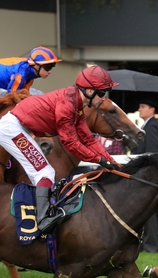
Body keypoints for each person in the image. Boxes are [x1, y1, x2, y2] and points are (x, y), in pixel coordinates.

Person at [0, 66, 120, 234]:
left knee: (45, 173)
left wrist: (110, 160)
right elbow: (71, 143)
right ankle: (43, 220)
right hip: (13, 129)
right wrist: (99, 160)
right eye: (102, 92)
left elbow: (88, 139)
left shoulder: (77, 105)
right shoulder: (67, 105)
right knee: (44, 173)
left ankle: (41, 214)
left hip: (21, 128)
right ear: (89, 90)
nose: (103, 97)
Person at [131, 98, 158, 252]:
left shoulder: (152, 127)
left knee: (148, 210)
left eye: (143, 106)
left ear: (152, 110)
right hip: (143, 174)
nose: (140, 109)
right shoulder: (146, 126)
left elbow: (152, 152)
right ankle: (146, 244)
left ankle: (151, 246)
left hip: (147, 175)